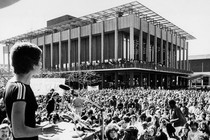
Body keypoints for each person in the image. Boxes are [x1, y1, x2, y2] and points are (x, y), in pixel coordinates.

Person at [4, 42, 59, 140]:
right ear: (33, 65)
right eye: (39, 60)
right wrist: (43, 130)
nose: (41, 64)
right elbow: (18, 131)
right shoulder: (20, 88)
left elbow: (24, 123)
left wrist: (43, 127)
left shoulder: (12, 84)